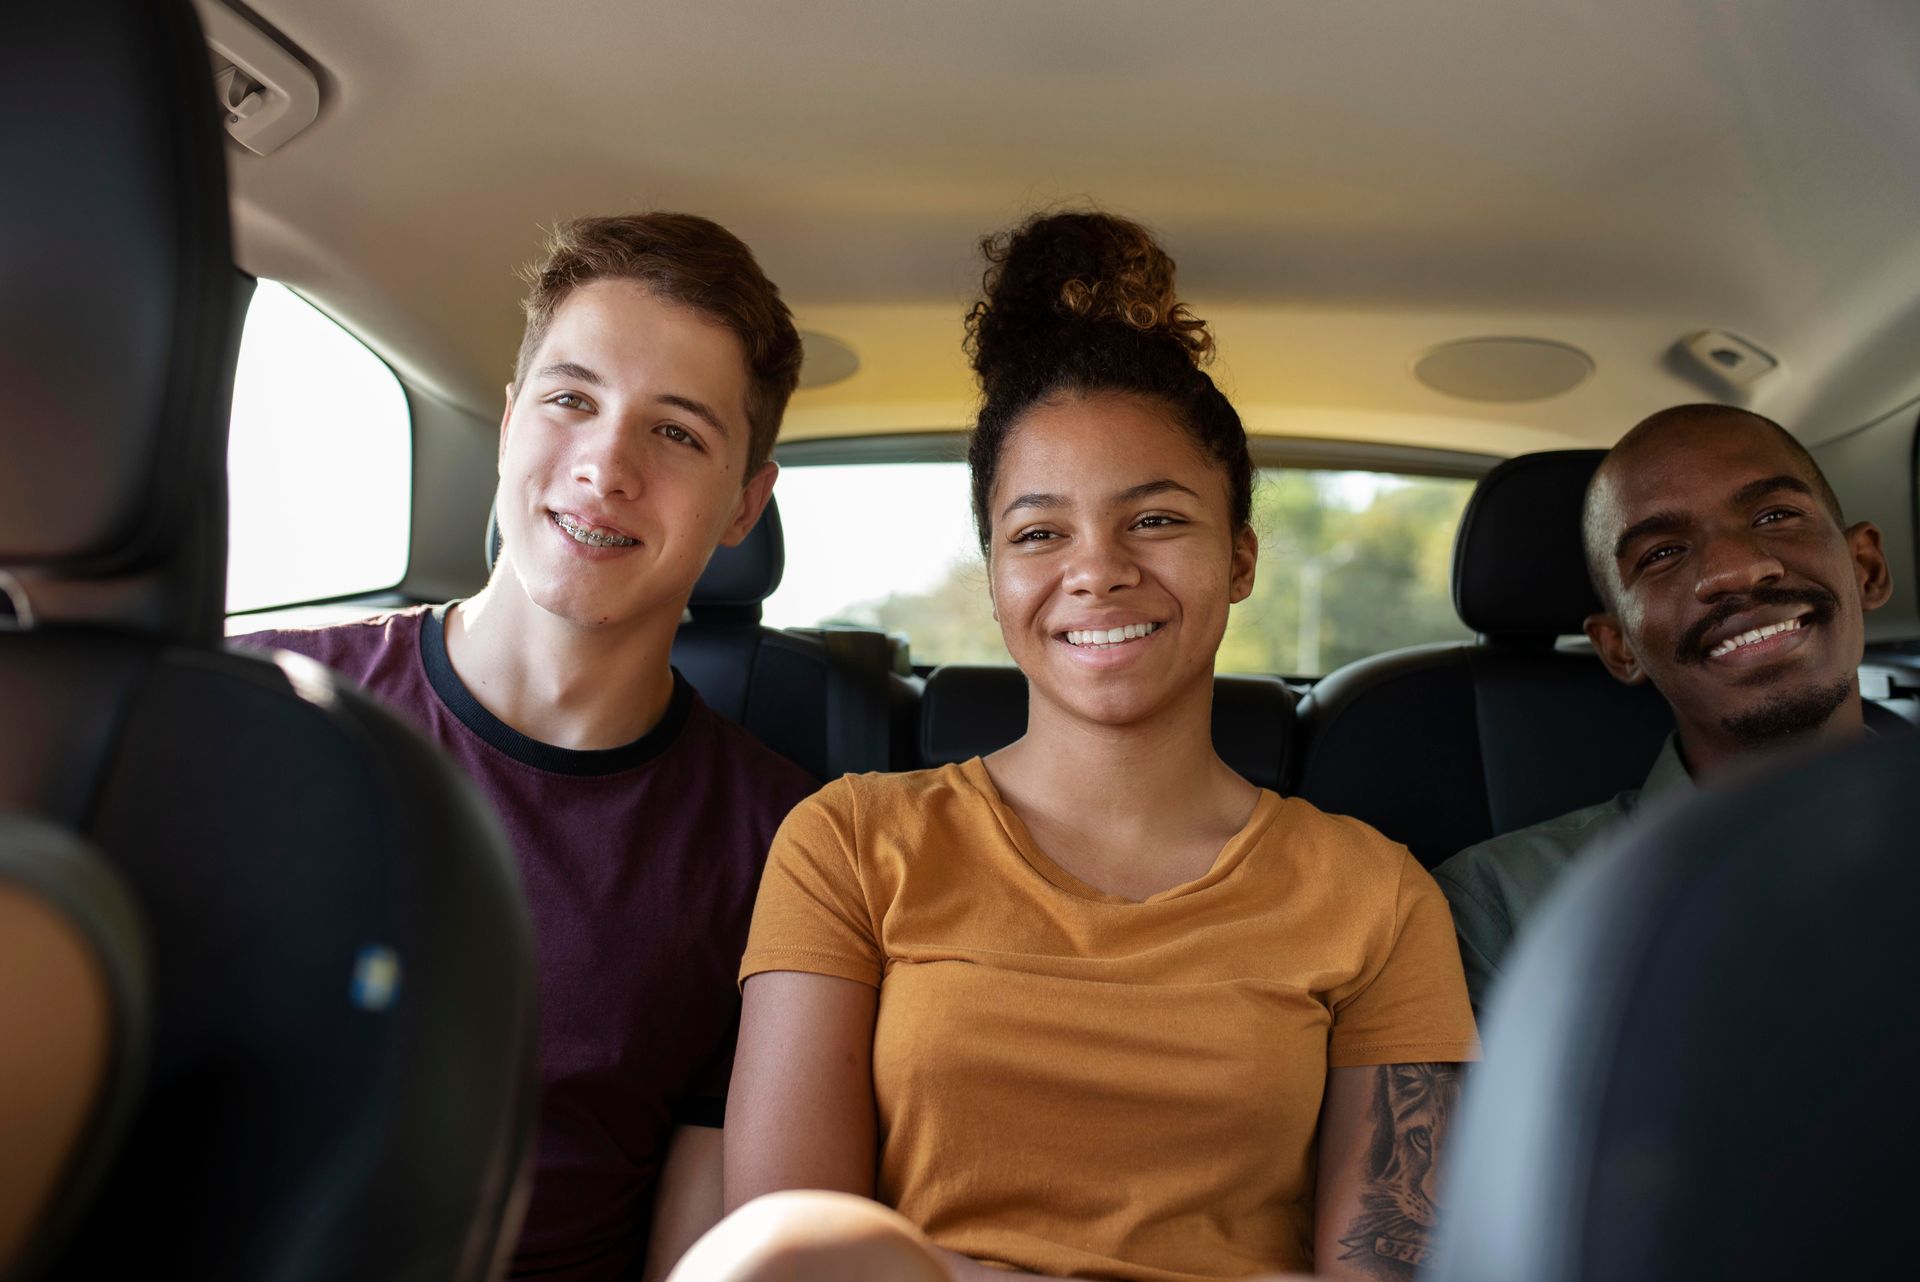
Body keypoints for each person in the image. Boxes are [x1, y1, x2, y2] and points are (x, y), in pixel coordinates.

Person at [682, 211, 1479, 1282]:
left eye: (1154, 520)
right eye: (1041, 531)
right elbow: (792, 1254)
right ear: (997, 573)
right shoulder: (850, 843)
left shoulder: (1379, 898)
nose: (1095, 570)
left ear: (1240, 556)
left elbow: (1384, 1269)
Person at [233, 212, 820, 1282]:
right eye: (571, 399)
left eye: (677, 431)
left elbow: (695, 1245)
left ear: (745, 503)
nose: (606, 464)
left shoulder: (783, 844)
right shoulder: (255, 702)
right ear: (509, 423)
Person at [1433, 403, 1893, 1010]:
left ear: (1865, 567)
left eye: (1775, 515)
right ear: (1619, 647)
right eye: (1662, 554)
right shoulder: (1502, 906)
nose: (1735, 569)